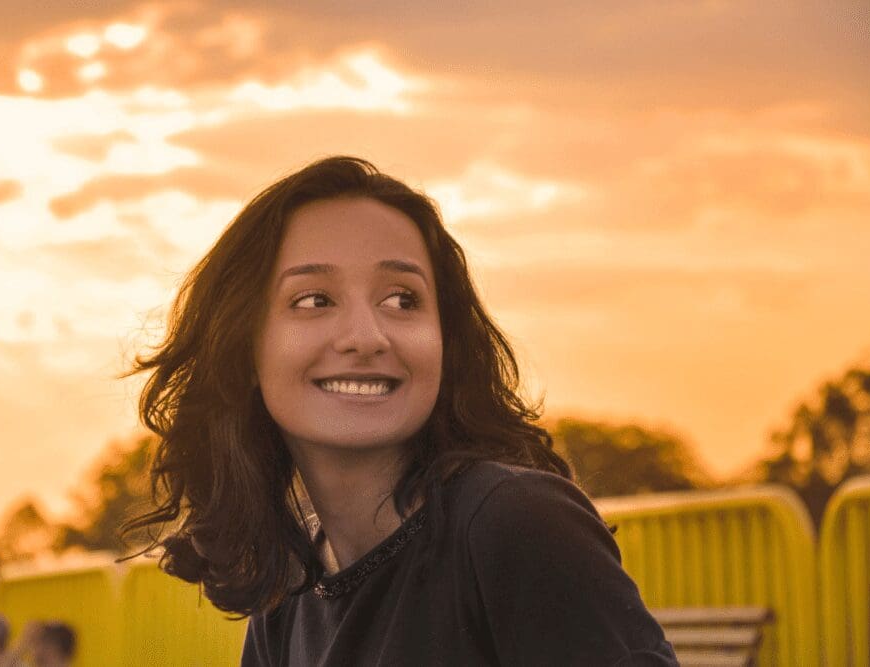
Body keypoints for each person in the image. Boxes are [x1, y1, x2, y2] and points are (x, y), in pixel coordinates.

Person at [126, 156, 678, 665]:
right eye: (314, 300)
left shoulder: (514, 522)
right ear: (242, 349)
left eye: (402, 300)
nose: (366, 337)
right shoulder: (288, 601)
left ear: (446, 339)